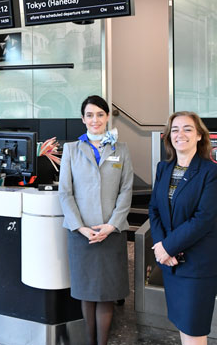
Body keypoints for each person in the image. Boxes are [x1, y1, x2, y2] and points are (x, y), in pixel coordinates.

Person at [58, 95, 133, 345]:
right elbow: (65, 192)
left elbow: (126, 190)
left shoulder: (121, 149)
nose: (95, 120)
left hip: (111, 232)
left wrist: (112, 225)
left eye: (100, 114)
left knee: (107, 294)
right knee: (87, 293)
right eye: (90, 115)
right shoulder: (71, 149)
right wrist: (80, 227)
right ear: (83, 119)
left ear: (107, 117)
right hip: (82, 234)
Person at [148, 111, 217, 345]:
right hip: (171, 264)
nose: (180, 134)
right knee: (182, 324)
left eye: (187, 129)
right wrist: (161, 246)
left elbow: (203, 219)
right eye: (175, 130)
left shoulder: (211, 172)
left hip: (197, 265)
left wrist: (167, 247)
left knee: (194, 329)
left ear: (200, 135)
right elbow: (154, 209)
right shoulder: (164, 168)